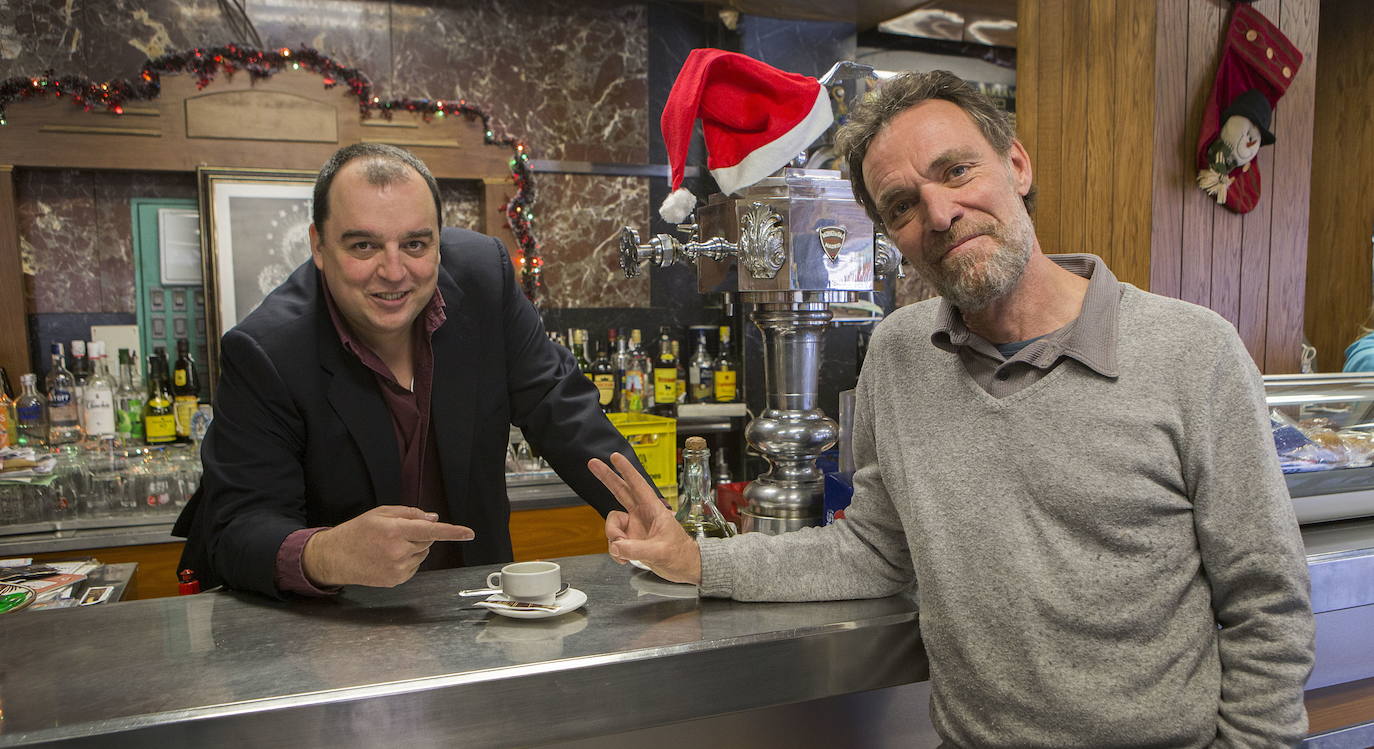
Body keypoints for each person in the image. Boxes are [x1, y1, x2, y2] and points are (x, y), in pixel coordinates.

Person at [590, 71, 1314, 748]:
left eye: (956, 170)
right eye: (901, 205)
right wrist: (698, 560)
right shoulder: (900, 353)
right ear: (892, 236)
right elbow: (871, 549)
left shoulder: (1193, 351)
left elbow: (1266, 606)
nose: (939, 213)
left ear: (1018, 166)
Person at [174, 143, 647, 599]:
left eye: (416, 244)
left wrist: (649, 514)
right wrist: (325, 554)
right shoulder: (265, 351)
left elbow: (559, 406)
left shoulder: (485, 276)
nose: (395, 271)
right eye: (364, 246)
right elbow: (234, 530)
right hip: (335, 630)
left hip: (478, 607)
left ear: (439, 240)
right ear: (318, 245)